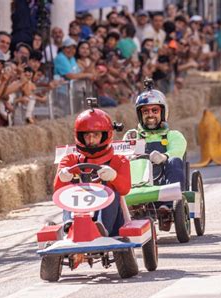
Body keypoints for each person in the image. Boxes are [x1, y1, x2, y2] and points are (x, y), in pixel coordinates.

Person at [54, 106, 131, 237]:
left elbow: (125, 189)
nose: (91, 140)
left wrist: (114, 177)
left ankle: (101, 226)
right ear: (80, 136)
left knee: (112, 190)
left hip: (113, 224)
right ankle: (70, 224)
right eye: (87, 135)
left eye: (95, 135)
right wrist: (63, 177)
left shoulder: (119, 160)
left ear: (105, 135)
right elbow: (57, 192)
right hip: (79, 217)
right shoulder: (69, 160)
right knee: (68, 190)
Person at [123, 79, 187, 212]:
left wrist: (164, 157)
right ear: (140, 115)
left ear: (162, 112)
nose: (150, 114)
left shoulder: (173, 135)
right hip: (136, 188)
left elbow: (178, 151)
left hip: (163, 187)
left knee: (174, 161)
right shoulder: (132, 136)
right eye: (145, 112)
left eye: (154, 110)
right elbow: (122, 155)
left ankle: (168, 207)